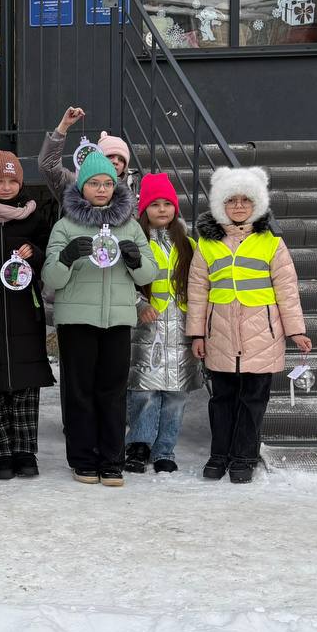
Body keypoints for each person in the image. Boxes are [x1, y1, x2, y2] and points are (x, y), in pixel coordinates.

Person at [186, 167, 311, 484]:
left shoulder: (271, 243)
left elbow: (287, 289)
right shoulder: (207, 245)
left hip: (262, 335)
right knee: (221, 399)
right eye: (232, 200)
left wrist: (295, 329)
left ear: (257, 204)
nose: (239, 206)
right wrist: (197, 333)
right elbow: (198, 291)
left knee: (253, 400)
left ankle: (244, 456)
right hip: (221, 335)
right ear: (220, 205)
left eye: (245, 200)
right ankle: (220, 455)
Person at [42, 149, 158, 487]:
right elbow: (52, 279)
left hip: (118, 320)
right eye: (94, 183)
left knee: (112, 391)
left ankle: (111, 459)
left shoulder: (130, 225)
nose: (102, 189)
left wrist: (136, 259)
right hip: (77, 321)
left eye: (108, 183)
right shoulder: (64, 226)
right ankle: (82, 458)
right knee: (79, 391)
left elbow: (148, 273)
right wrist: (65, 257)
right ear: (81, 187)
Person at [0, 150, 54, 480]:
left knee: (25, 386)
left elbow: (49, 254)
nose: (6, 187)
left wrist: (36, 254)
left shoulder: (33, 215)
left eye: (12, 181)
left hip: (23, 313)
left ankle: (25, 450)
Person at [125, 173, 203, 475]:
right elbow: (122, 282)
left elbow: (199, 287)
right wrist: (139, 304)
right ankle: (138, 445)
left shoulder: (190, 245)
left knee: (176, 394)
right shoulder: (136, 242)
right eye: (154, 204)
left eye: (167, 204)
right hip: (147, 329)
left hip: (180, 331)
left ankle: (165, 449)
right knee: (144, 391)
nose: (161, 210)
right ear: (144, 210)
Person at [38, 107, 140, 204]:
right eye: (110, 156)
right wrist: (64, 126)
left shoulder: (130, 190)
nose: (116, 162)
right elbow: (48, 166)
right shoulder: (74, 183)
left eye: (121, 159)